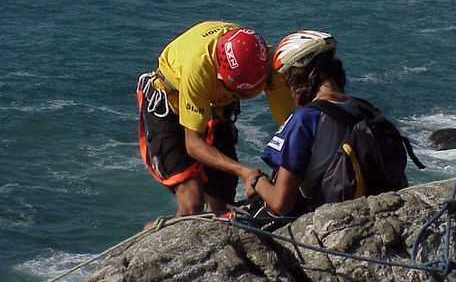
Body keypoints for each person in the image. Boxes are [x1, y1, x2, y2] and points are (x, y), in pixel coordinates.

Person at [136, 21, 295, 225]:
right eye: (234, 90)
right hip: (170, 107)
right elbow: (193, 144)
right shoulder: (199, 68)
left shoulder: (266, 64)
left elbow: (290, 125)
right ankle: (152, 237)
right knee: (191, 202)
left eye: (244, 93)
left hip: (215, 110)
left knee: (221, 207)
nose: (239, 95)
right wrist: (245, 173)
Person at [244, 30, 361, 217]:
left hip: (319, 214)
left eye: (289, 82)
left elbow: (280, 204)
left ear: (299, 77)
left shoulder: (305, 119)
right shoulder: (357, 108)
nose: (291, 92)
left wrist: (254, 180)